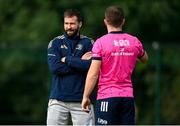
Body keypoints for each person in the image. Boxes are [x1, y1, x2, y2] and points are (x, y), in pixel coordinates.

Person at [81, 5, 148, 125]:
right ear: (123, 21)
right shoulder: (134, 41)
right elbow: (145, 58)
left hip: (107, 97)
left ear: (105, 22)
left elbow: (93, 74)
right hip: (128, 98)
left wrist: (85, 96)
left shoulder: (100, 43)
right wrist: (127, 55)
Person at [47, 9, 95, 125]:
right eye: (66, 23)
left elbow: (91, 67)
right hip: (58, 100)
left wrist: (68, 60)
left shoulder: (89, 43)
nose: (69, 27)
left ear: (80, 24)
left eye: (72, 23)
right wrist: (79, 63)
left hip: (82, 100)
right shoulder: (55, 43)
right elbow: (55, 68)